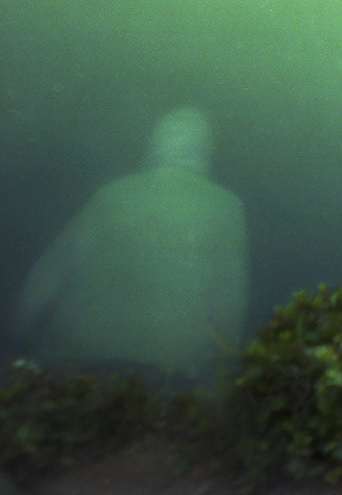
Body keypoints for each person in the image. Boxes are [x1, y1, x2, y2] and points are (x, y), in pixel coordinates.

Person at [13, 107, 248, 386]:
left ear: (155, 144)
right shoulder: (226, 207)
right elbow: (227, 305)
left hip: (76, 360)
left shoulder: (109, 195)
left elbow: (47, 276)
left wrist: (19, 345)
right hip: (166, 373)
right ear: (206, 151)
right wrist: (221, 385)